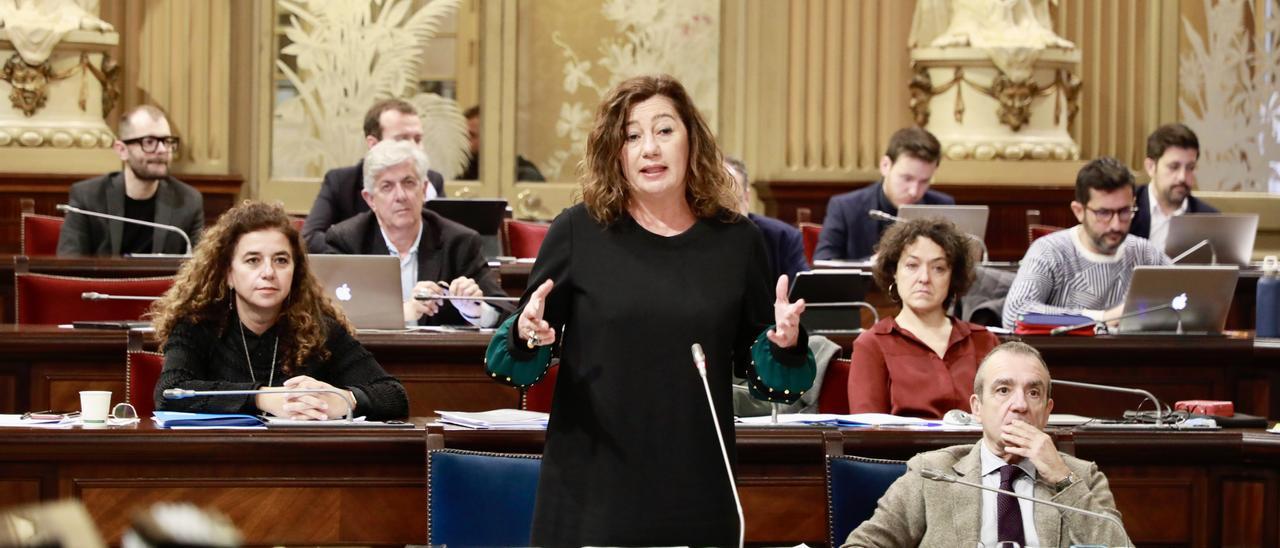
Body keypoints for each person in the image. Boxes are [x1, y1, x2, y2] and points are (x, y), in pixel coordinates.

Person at [483, 74, 816, 546]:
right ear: (614, 154)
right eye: (632, 136)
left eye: (664, 131)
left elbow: (763, 369)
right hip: (593, 486)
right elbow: (513, 358)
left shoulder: (737, 240)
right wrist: (526, 333)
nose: (650, 149)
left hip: (697, 484)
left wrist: (783, 345)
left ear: (691, 141)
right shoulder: (579, 231)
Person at [844, 341, 1131, 547]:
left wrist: (1060, 478)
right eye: (1003, 390)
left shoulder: (1081, 476)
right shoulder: (931, 472)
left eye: (1033, 393)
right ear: (977, 407)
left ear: (1047, 410)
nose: (1019, 405)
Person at [150, 201, 408, 421]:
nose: (269, 273)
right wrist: (261, 397)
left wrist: (344, 400)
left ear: (295, 271)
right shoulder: (197, 324)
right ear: (228, 273)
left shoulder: (318, 328)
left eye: (281, 260)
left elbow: (393, 394)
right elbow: (170, 392)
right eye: (253, 260)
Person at [322, 140, 511, 327]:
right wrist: (402, 312)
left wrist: (476, 310)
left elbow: (507, 315)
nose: (401, 196)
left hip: (438, 356)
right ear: (370, 199)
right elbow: (326, 315)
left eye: (409, 183)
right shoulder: (346, 241)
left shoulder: (459, 242)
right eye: (387, 186)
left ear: (424, 189)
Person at [848, 217, 999, 418]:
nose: (924, 278)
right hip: (902, 450)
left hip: (977, 449)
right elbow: (866, 434)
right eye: (912, 265)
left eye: (938, 268)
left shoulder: (984, 341)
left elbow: (1002, 418)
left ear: (952, 277)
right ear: (894, 272)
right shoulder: (872, 345)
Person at [1002, 157, 1171, 329]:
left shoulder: (1146, 254)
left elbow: (1188, 301)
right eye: (1104, 213)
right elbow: (1016, 315)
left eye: (1124, 211)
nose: (1116, 224)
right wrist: (1101, 318)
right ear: (1079, 211)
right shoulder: (1049, 251)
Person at [302, 98, 446, 252]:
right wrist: (363, 261)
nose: (414, 147)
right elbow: (310, 237)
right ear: (373, 144)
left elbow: (447, 237)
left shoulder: (432, 180)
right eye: (402, 140)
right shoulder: (341, 182)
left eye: (417, 139)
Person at [57, 105, 203, 256]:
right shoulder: (87, 197)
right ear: (122, 150)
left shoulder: (188, 201)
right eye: (149, 142)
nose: (162, 150)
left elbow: (200, 269)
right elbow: (69, 260)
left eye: (167, 141)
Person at [814, 127, 955, 261]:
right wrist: (872, 263)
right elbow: (823, 262)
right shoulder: (845, 207)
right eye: (907, 178)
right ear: (885, 166)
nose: (914, 191)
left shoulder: (943, 206)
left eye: (924, 181)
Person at [1131, 123, 1218, 252]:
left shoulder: (1209, 219)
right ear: (1151, 167)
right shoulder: (1125, 209)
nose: (1182, 177)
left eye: (1190, 168)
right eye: (1174, 167)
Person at [725, 155, 808, 282]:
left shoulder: (783, 237)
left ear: (746, 198)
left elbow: (802, 294)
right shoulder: (692, 241)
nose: (724, 216)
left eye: (730, 203)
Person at [458, 105, 546, 181]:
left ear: (493, 139)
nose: (464, 141)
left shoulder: (523, 176)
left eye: (472, 135)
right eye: (462, 135)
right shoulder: (459, 172)